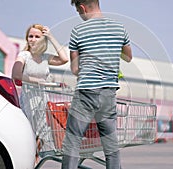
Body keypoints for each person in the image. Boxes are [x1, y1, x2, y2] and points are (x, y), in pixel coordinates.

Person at [61, 0, 132, 169]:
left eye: (78, 11)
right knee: (110, 145)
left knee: (73, 140)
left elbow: (75, 68)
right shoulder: (119, 28)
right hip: (108, 93)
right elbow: (128, 57)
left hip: (86, 92)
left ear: (83, 7)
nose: (79, 15)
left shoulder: (78, 30)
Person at [11, 24, 68, 164]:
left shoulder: (45, 57)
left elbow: (64, 59)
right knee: (29, 134)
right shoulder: (24, 55)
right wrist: (38, 81)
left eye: (37, 36)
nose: (33, 39)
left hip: (42, 100)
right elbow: (15, 74)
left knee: (41, 135)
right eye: (31, 36)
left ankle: (34, 162)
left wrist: (51, 37)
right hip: (29, 99)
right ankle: (27, 161)